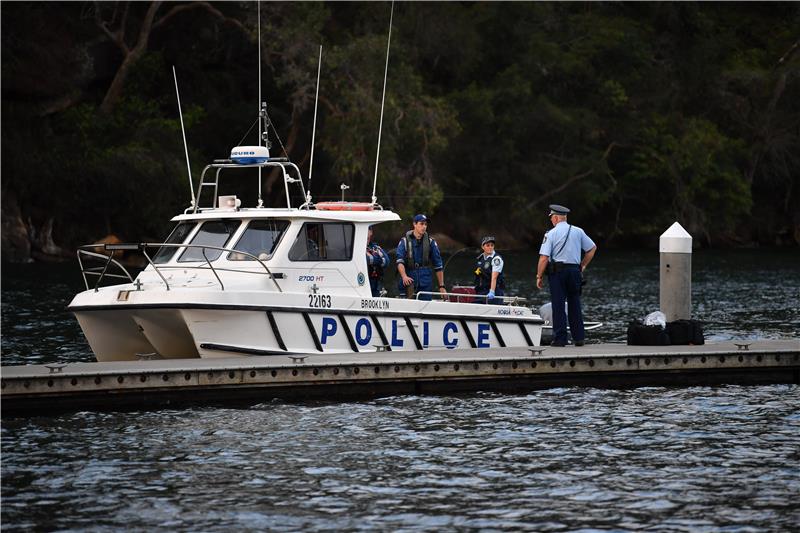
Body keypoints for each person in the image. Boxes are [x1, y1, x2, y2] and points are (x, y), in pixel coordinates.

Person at [536, 204, 597, 347]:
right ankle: (579, 338)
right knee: (574, 303)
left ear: (556, 218)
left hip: (557, 273)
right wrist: (582, 265)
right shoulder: (578, 231)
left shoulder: (550, 234)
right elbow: (592, 248)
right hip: (574, 271)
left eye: (552, 218)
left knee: (558, 305)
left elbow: (544, 258)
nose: (551, 220)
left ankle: (560, 339)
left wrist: (539, 276)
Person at [396, 214, 447, 301]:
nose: (424, 227)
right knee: (407, 305)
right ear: (415, 224)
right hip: (409, 280)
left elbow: (438, 265)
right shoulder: (404, 241)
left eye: (426, 224)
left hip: (425, 281)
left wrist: (441, 286)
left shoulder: (431, 242)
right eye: (421, 224)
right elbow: (399, 261)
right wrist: (404, 276)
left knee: (425, 305)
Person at [474, 236, 505, 304]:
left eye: (492, 245)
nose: (490, 247)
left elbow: (494, 277)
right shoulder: (480, 258)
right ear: (483, 247)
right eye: (488, 245)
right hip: (481, 291)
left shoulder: (496, 259)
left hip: (494, 291)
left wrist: (492, 291)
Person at [366, 226, 389, 297]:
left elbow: (387, 261)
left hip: (376, 284)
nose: (366, 232)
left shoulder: (375, 247)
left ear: (371, 232)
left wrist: (372, 258)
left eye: (368, 230)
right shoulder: (356, 246)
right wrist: (377, 258)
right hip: (364, 282)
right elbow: (366, 260)